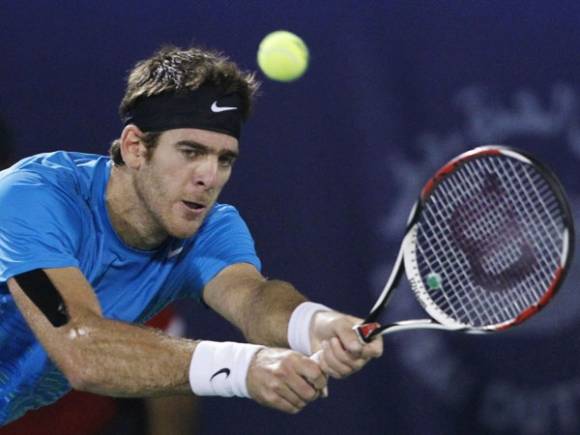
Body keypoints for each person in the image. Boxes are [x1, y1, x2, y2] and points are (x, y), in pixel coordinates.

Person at [0, 45, 382, 427]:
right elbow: (82, 348)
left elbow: (252, 298)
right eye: (190, 152)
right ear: (135, 148)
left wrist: (314, 323)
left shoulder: (211, 227)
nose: (209, 177)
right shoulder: (30, 196)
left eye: (224, 159)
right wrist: (243, 367)